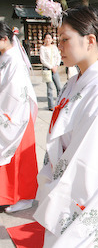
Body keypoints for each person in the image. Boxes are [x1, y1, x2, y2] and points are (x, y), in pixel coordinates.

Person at [33, 6, 98, 247]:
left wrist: (56, 178)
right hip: (63, 178)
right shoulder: (74, 82)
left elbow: (94, 159)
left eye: (65, 39)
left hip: (83, 190)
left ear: (90, 40)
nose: (59, 46)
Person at [0, 21, 38, 213]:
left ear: (4, 39)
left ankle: (25, 196)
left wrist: (5, 114)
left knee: (21, 160)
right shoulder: (5, 56)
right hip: (9, 113)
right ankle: (7, 195)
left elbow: (14, 91)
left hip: (16, 115)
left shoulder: (13, 59)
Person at [40, 32, 62, 111]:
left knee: (59, 86)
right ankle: (51, 106)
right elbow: (43, 60)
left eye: (49, 38)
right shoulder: (43, 48)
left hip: (55, 68)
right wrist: (51, 67)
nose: (48, 40)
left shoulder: (54, 47)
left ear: (52, 39)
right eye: (46, 38)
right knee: (49, 88)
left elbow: (58, 57)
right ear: (44, 39)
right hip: (47, 69)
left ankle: (60, 103)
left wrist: (56, 65)